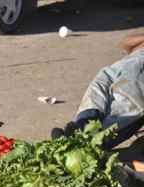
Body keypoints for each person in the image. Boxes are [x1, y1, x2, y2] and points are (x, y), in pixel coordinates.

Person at [51, 34, 144, 173]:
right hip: (111, 74)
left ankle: (78, 146)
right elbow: (125, 43)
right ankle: (77, 136)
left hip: (135, 88)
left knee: (116, 118)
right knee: (93, 104)